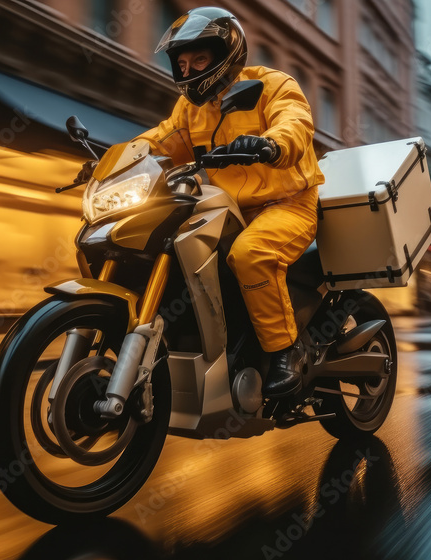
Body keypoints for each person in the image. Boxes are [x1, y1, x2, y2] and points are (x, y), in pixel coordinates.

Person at [77, 7, 324, 397]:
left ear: (226, 54)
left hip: (286, 203)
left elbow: (295, 122)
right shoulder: (190, 109)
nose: (189, 70)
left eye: (200, 59)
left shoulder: (272, 84)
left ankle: (285, 351)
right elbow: (158, 140)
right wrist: (109, 164)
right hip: (226, 205)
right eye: (183, 62)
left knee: (249, 254)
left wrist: (271, 143)